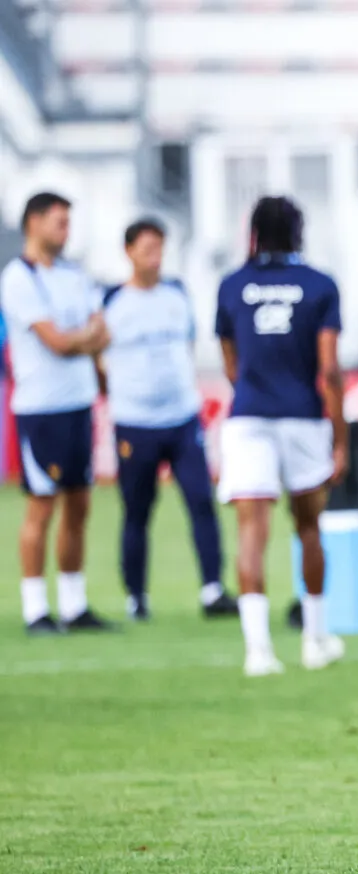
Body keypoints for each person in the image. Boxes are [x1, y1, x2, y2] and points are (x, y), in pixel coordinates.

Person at [215, 196, 347, 676]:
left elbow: (230, 362)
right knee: (309, 528)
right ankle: (315, 640)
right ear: (298, 232)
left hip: (248, 416)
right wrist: (341, 436)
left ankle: (258, 652)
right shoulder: (319, 285)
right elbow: (329, 369)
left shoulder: (231, 286)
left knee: (252, 532)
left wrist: (253, 391)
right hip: (302, 417)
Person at [99, 218, 237, 621]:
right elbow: (98, 359)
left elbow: (189, 344)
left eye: (159, 249)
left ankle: (213, 589)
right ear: (129, 252)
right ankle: (136, 596)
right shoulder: (112, 301)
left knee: (201, 501)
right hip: (134, 420)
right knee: (138, 510)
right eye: (147, 250)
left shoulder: (177, 294)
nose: (154, 258)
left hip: (181, 417)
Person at [0, 192, 116, 635]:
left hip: (77, 403)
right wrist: (80, 339)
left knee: (79, 505)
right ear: (34, 222)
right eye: (59, 222)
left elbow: (99, 332)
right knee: (41, 507)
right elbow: (57, 342)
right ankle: (35, 609)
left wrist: (81, 339)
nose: (65, 231)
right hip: (40, 408)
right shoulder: (18, 277)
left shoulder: (73, 274)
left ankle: (74, 603)